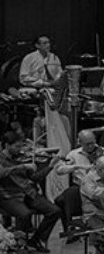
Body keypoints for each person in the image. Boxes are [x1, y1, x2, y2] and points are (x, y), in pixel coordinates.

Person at [18, 35, 70, 199]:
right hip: (36, 89)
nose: (47, 45)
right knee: (43, 93)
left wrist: (58, 80)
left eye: (48, 42)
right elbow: (23, 77)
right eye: (44, 43)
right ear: (37, 45)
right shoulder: (29, 58)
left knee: (60, 96)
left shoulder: (55, 58)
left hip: (52, 90)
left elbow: (60, 76)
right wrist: (41, 83)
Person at [0, 132, 62, 252]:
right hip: (8, 195)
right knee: (24, 214)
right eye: (17, 147)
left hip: (28, 193)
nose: (20, 150)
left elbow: (35, 178)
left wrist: (50, 166)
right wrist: (22, 167)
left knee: (55, 211)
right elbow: (2, 173)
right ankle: (17, 245)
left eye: (21, 146)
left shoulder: (22, 158)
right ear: (7, 145)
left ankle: (35, 240)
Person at [52, 129, 104, 227]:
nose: (91, 146)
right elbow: (59, 170)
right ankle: (69, 228)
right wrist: (75, 166)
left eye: (92, 143)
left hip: (100, 186)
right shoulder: (73, 154)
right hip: (80, 187)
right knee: (60, 200)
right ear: (80, 142)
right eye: (87, 144)